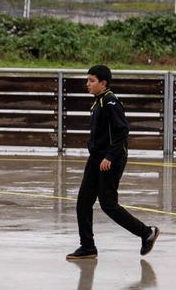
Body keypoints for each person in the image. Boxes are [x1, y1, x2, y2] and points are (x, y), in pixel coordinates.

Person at [67, 65, 160, 261]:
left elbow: (122, 132)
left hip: (111, 160)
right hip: (96, 159)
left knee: (108, 204)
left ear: (103, 83)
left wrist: (109, 156)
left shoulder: (110, 102)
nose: (87, 84)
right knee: (83, 202)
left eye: (91, 81)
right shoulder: (98, 102)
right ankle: (88, 247)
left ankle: (147, 233)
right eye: (87, 80)